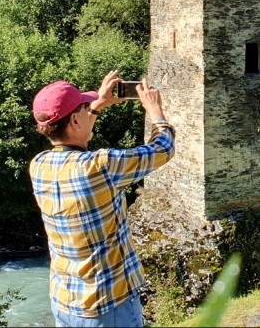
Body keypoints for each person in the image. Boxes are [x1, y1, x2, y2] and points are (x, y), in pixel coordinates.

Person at [29, 71, 175, 328]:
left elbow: (74, 140)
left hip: (65, 302)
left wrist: (95, 107)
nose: (89, 111)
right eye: (84, 109)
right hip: (108, 306)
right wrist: (156, 113)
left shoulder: (39, 165)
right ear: (74, 120)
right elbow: (163, 148)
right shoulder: (102, 167)